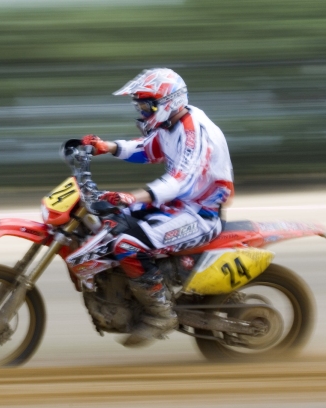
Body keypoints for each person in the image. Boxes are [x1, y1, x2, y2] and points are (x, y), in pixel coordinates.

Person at [82, 68, 234, 346]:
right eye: (139, 104)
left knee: (127, 245)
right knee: (109, 223)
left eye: (145, 104)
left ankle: (160, 314)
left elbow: (180, 181)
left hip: (199, 214)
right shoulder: (170, 124)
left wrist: (134, 196)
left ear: (167, 102)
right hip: (177, 206)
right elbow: (147, 150)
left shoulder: (194, 131)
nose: (141, 110)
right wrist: (108, 147)